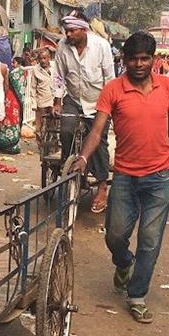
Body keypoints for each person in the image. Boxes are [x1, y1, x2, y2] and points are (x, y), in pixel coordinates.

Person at [72, 31, 169, 324]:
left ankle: (137, 295)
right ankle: (124, 263)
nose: (139, 64)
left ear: (154, 60)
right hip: (126, 175)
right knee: (115, 235)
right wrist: (83, 157)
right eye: (133, 59)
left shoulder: (167, 86)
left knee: (150, 241)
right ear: (124, 60)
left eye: (144, 59)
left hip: (159, 177)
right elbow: (97, 131)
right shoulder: (113, 89)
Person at [52, 12, 115, 213]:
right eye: (66, 31)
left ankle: (102, 186)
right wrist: (57, 101)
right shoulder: (62, 46)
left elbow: (110, 78)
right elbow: (59, 75)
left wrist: (109, 106)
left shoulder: (101, 46)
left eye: (72, 30)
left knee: (98, 142)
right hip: (73, 98)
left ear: (83, 29)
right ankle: (68, 168)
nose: (68, 34)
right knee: (66, 130)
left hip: (98, 101)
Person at [0, 56, 24, 153]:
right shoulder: (23, 72)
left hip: (11, 98)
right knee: (14, 120)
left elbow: (7, 84)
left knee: (9, 119)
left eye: (13, 63)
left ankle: (8, 143)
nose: (12, 65)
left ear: (17, 63)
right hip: (17, 100)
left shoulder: (14, 73)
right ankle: (14, 144)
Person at [27, 47, 55, 139]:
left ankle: (51, 143)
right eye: (40, 59)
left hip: (53, 100)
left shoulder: (55, 68)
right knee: (40, 126)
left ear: (49, 58)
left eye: (44, 58)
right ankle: (41, 145)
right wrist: (34, 103)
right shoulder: (35, 70)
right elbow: (33, 88)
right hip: (41, 101)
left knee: (53, 124)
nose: (42, 61)